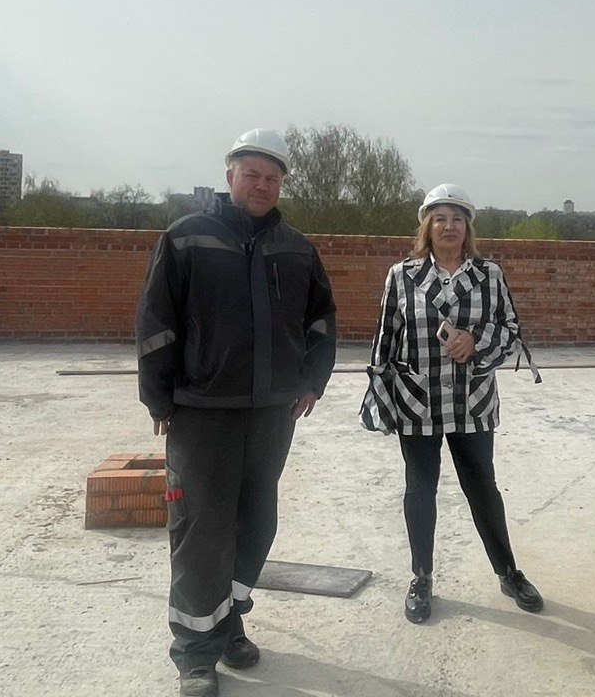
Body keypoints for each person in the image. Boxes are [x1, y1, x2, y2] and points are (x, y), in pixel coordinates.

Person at [136, 128, 337, 697]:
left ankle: (227, 625)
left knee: (257, 523)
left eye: (272, 178)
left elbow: (322, 320)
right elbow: (155, 321)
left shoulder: (296, 248)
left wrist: (312, 381)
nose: (262, 185)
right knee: (202, 530)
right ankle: (195, 655)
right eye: (252, 174)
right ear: (230, 176)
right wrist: (158, 396)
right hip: (202, 410)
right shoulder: (186, 238)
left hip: (271, 412)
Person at [361, 182, 543, 624]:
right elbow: (385, 339)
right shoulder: (401, 276)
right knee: (420, 491)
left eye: (457, 218)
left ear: (468, 227)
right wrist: (380, 398)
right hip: (416, 401)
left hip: (471, 401)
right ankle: (421, 578)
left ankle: (508, 572)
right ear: (426, 226)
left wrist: (475, 341)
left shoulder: (489, 275)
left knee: (483, 489)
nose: (449, 226)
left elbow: (511, 331)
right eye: (439, 218)